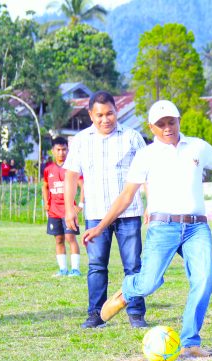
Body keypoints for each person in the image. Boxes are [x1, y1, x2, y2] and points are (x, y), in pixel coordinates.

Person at [87, 100, 212, 358]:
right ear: (151, 127)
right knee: (148, 283)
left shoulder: (198, 147)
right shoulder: (146, 155)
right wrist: (101, 226)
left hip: (196, 228)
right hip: (162, 227)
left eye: (171, 121)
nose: (167, 128)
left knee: (204, 279)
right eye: (161, 124)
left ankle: (190, 341)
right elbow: (126, 196)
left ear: (179, 120)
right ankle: (127, 291)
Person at [63, 91, 149, 329]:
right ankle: (96, 314)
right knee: (96, 265)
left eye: (109, 113)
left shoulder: (132, 137)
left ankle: (135, 312)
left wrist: (151, 203)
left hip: (129, 213)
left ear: (116, 111)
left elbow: (147, 174)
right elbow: (71, 175)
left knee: (133, 265)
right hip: (95, 213)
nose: (105, 119)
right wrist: (70, 209)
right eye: (99, 115)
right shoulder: (81, 140)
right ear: (90, 115)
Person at [43, 136, 83, 277]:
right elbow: (45, 186)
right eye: (58, 150)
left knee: (70, 238)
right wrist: (46, 203)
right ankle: (62, 269)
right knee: (59, 239)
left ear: (68, 150)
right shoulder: (48, 169)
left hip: (68, 212)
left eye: (64, 149)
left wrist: (80, 205)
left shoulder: (72, 168)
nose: (61, 153)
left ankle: (75, 269)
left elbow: (82, 186)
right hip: (54, 212)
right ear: (53, 151)